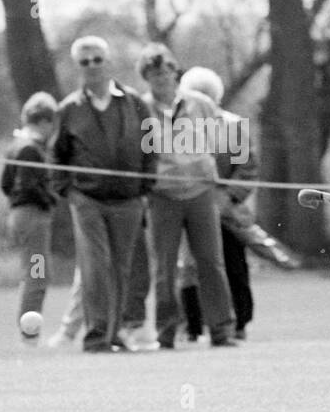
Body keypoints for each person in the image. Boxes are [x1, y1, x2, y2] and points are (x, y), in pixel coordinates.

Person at [52, 36, 156, 353]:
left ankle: (116, 334)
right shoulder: (68, 109)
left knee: (121, 267)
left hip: (128, 199)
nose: (93, 66)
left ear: (108, 62)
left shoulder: (135, 102)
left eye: (98, 59)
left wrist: (144, 187)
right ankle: (96, 335)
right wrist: (68, 191)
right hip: (87, 200)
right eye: (85, 62)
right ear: (78, 67)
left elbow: (150, 149)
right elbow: (57, 156)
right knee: (95, 265)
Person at [137, 43, 236, 348]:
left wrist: (218, 183)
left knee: (210, 262)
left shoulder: (201, 105)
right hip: (162, 197)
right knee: (164, 268)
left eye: (166, 70)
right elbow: (139, 154)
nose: (162, 78)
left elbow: (226, 145)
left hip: (201, 194)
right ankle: (167, 332)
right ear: (147, 77)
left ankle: (221, 329)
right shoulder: (141, 108)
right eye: (154, 73)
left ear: (175, 72)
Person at [176, 66, 261, 339]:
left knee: (231, 264)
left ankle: (238, 322)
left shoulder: (233, 127)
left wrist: (228, 196)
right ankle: (191, 326)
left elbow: (246, 169)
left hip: (226, 210)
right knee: (189, 268)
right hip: (188, 205)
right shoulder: (176, 127)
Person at [0, 92, 58, 340]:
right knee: (37, 273)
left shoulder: (16, 145)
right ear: (44, 121)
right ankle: (29, 332)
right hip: (33, 216)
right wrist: (50, 199)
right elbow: (27, 185)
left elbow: (5, 184)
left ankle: (28, 329)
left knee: (33, 272)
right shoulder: (30, 149)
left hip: (18, 214)